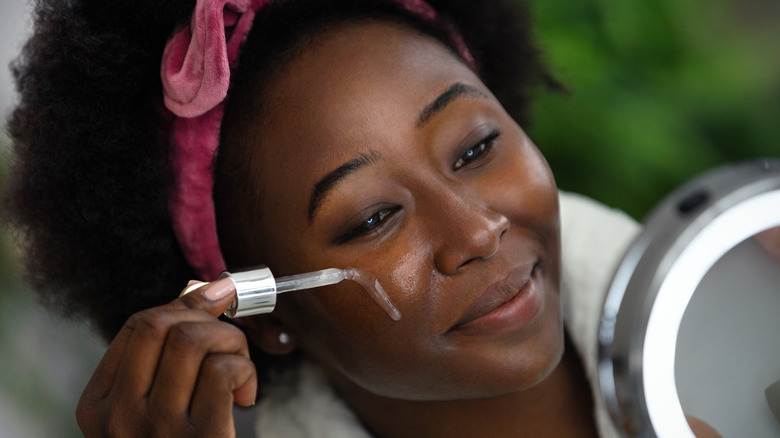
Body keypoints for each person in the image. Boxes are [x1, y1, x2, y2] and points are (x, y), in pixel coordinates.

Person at [3, 0, 718, 436]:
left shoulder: (743, 291)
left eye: (474, 147)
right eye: (373, 218)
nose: (475, 233)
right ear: (260, 313)